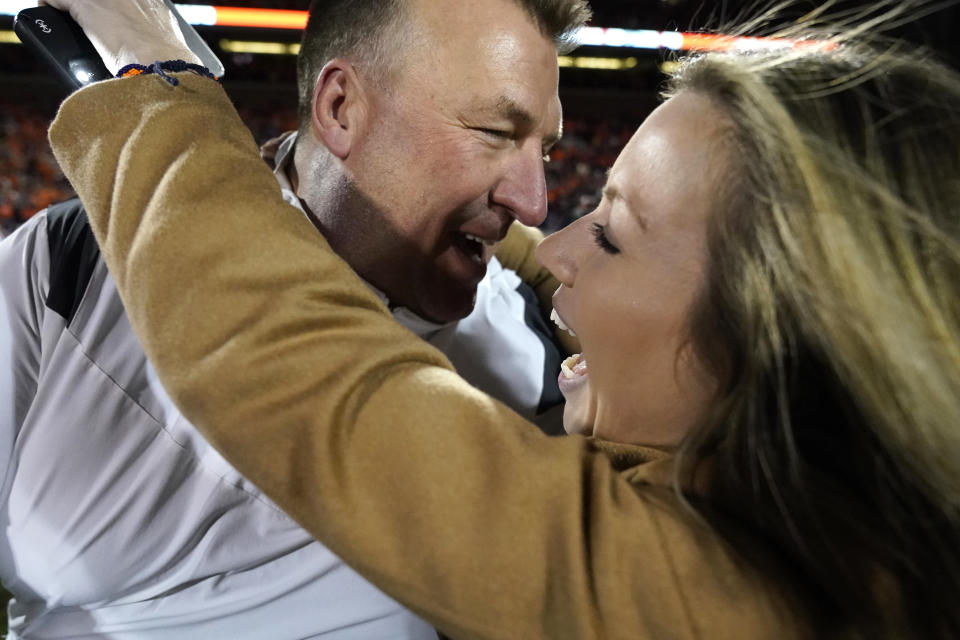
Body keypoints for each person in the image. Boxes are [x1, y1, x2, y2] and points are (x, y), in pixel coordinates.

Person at [47, 0, 960, 637]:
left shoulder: (719, 594)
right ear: (337, 107)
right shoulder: (849, 531)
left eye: (612, 238)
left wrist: (152, 83)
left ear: (780, 339)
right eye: (493, 133)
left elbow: (318, 391)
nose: (548, 232)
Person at [0, 0, 587, 637]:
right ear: (341, 108)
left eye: (547, 153)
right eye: (496, 133)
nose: (533, 202)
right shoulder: (74, 261)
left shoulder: (550, 375)